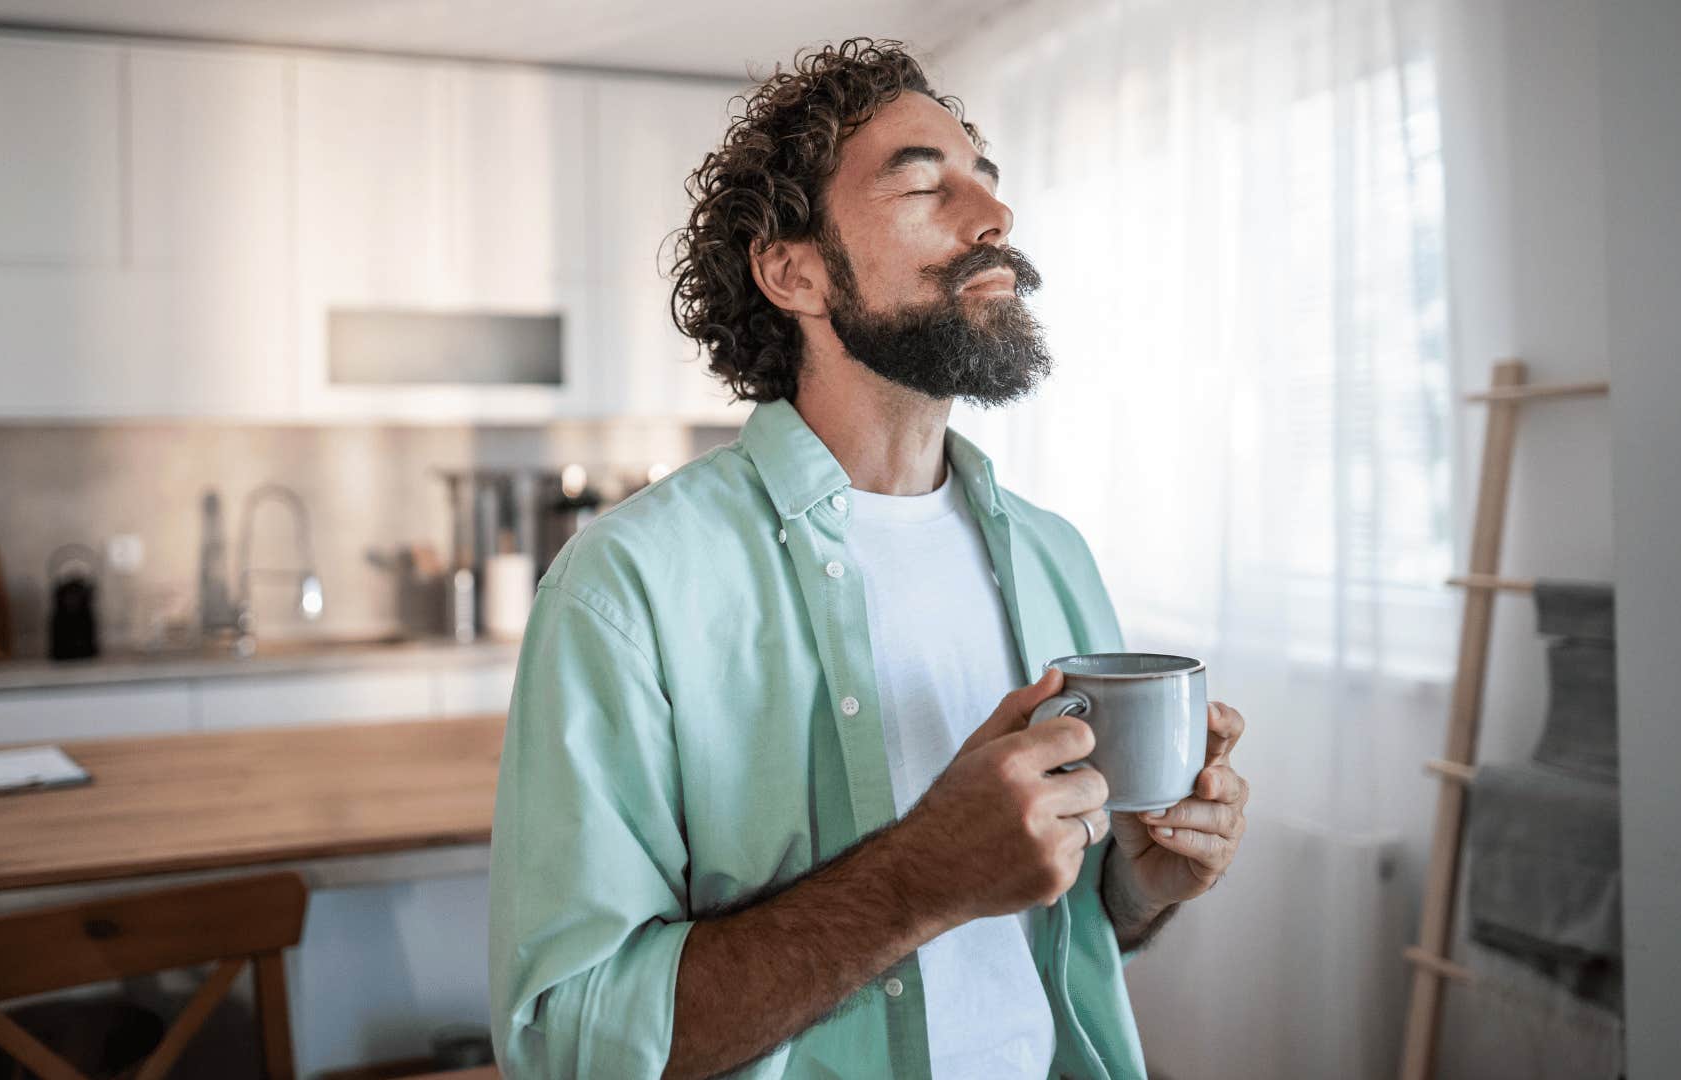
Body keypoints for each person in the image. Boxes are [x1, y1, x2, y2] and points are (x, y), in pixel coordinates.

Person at [489, 37, 1250, 1080]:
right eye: (924, 185)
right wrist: (917, 881)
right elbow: (570, 1042)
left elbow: (1043, 935)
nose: (993, 218)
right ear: (793, 271)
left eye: (986, 179)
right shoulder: (628, 590)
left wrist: (1142, 886)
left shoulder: (1053, 555)